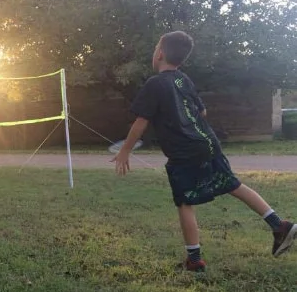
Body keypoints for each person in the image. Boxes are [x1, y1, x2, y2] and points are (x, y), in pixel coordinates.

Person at [112, 31, 297, 272]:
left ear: (159, 53)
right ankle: (279, 225)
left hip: (184, 152)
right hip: (208, 142)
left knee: (184, 201)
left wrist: (125, 150)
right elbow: (203, 113)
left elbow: (141, 121)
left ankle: (195, 260)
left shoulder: (155, 84)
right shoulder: (183, 80)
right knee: (233, 185)